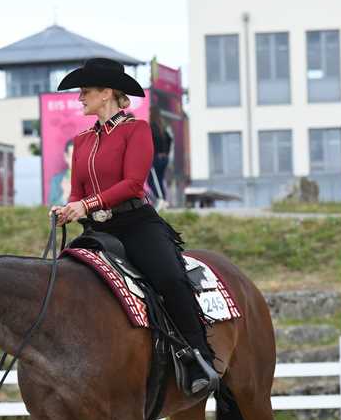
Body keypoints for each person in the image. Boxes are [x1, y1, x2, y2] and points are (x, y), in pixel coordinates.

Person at [52, 58, 218, 396]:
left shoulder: (136, 130)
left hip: (136, 224)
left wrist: (86, 204)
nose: (80, 98)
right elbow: (77, 191)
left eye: (85, 91)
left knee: (170, 278)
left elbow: (132, 184)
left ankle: (196, 357)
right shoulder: (81, 140)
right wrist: (69, 208)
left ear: (107, 93)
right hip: (96, 231)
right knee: (62, 280)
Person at [147, 108, 172, 205]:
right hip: (164, 158)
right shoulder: (162, 127)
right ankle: (163, 199)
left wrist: (156, 152)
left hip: (155, 158)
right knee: (159, 179)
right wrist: (166, 152)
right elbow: (169, 139)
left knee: (151, 180)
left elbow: (150, 142)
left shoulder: (151, 127)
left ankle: (160, 198)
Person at [47, 138, 74, 207]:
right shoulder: (57, 180)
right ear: (66, 157)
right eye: (72, 156)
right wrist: (65, 195)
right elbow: (52, 208)